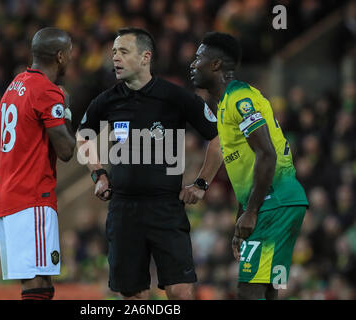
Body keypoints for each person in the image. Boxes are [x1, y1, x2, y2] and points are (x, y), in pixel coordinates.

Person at [76, 27, 222, 300]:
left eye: (123, 51)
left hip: (165, 208)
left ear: (145, 57)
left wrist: (202, 183)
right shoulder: (107, 100)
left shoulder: (175, 96)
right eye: (113, 53)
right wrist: (99, 175)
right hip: (123, 209)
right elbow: (83, 137)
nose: (115, 58)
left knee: (180, 290)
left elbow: (216, 139)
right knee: (133, 295)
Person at [190, 32, 309, 299]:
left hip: (274, 203)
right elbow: (250, 166)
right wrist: (242, 217)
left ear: (216, 64)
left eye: (198, 57)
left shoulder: (239, 98)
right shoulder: (224, 107)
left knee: (248, 291)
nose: (192, 64)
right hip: (279, 203)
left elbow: (267, 153)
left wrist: (253, 211)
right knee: (267, 290)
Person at [0, 27, 76, 300]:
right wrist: (66, 109)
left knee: (34, 283)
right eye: (71, 53)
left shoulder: (15, 85)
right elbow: (66, 150)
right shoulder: (47, 91)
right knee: (39, 283)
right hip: (32, 198)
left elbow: (1, 144)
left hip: (7, 198)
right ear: (61, 56)